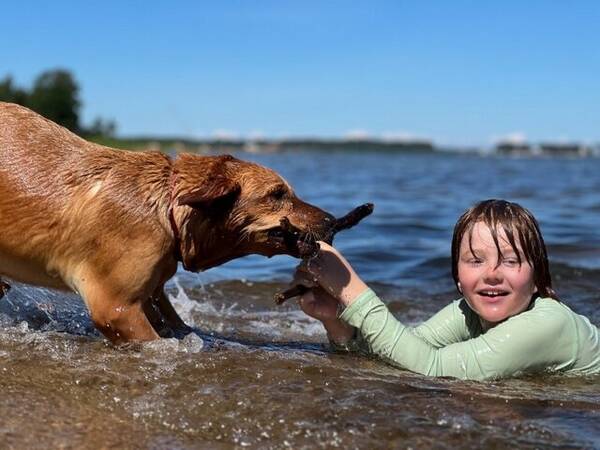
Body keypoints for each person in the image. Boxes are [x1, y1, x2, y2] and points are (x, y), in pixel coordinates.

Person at [293, 199, 600, 380]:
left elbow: (432, 369)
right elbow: (395, 354)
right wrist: (335, 320)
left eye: (510, 260)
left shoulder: (548, 324)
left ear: (537, 278)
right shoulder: (467, 312)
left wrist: (353, 290)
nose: (491, 274)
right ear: (457, 277)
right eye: (475, 261)